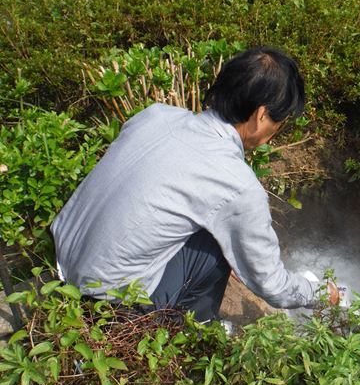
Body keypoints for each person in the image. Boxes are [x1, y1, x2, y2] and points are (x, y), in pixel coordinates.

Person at [51, 46, 339, 323]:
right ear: (261, 115)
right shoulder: (236, 183)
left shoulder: (155, 114)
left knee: (211, 223)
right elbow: (271, 285)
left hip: (60, 260)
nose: (278, 130)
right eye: (281, 122)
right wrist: (321, 294)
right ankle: (190, 331)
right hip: (107, 300)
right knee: (218, 244)